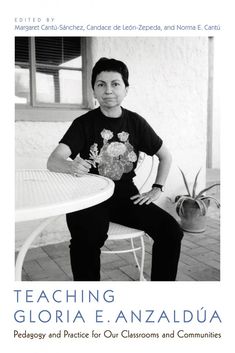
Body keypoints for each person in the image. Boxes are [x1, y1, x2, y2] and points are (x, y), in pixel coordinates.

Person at [47, 57, 184, 281]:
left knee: (171, 232)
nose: (108, 90)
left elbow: (165, 156)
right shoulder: (84, 123)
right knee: (87, 240)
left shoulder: (136, 123)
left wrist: (157, 187)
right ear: (93, 90)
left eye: (115, 83)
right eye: (101, 84)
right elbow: (53, 160)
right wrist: (70, 165)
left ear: (126, 89)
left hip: (124, 196)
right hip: (89, 194)